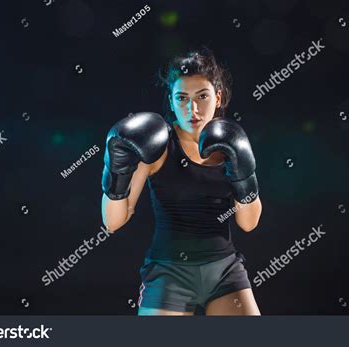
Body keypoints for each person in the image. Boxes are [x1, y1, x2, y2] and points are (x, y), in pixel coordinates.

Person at [101, 47, 262, 316]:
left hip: (224, 271)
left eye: (202, 96)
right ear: (172, 101)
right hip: (168, 272)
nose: (193, 109)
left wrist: (245, 174)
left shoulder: (230, 143)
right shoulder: (157, 145)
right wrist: (116, 171)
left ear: (218, 97)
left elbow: (248, 222)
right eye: (182, 98)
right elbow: (113, 222)